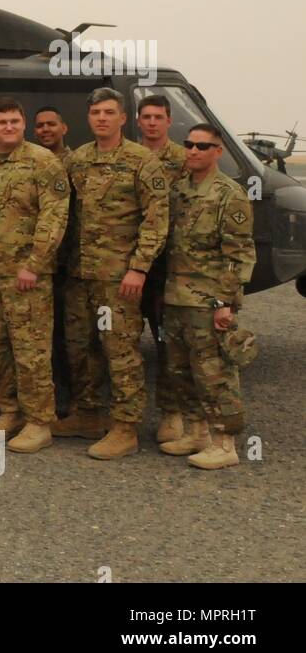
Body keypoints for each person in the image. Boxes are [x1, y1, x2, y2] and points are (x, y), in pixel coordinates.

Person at [55, 87, 169, 459]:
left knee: (119, 350)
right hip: (79, 275)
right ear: (88, 119)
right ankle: (87, 414)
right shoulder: (78, 160)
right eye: (95, 113)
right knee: (79, 347)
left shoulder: (141, 161)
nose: (101, 118)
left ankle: (125, 427)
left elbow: (156, 219)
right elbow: (63, 215)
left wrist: (138, 268)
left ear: (123, 118)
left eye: (109, 112)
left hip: (118, 278)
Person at [0, 99, 70, 453]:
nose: (9, 127)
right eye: (2, 122)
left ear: (23, 124)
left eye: (15, 121)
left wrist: (34, 265)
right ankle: (9, 411)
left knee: (32, 350)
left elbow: (54, 217)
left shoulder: (43, 162)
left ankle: (40, 421)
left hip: (27, 276)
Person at [159, 125, 256, 469]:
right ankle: (196, 431)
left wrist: (225, 303)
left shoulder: (229, 194)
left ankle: (224, 443)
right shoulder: (178, 190)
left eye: (203, 146)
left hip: (208, 301)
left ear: (218, 151)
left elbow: (239, 254)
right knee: (181, 370)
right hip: (176, 297)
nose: (194, 150)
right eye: (189, 144)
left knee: (215, 373)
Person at [136, 94, 189, 445]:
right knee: (117, 341)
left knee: (167, 343)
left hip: (167, 267)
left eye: (159, 117)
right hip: (127, 265)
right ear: (138, 121)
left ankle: (172, 412)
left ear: (169, 121)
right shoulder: (126, 157)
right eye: (146, 117)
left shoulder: (186, 161)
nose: (152, 122)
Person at [33, 105, 73, 412]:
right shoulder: (32, 162)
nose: (46, 130)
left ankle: (71, 400)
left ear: (64, 128)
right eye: (41, 126)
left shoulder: (78, 163)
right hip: (41, 264)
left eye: (51, 124)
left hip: (70, 263)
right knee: (42, 336)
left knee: (70, 338)